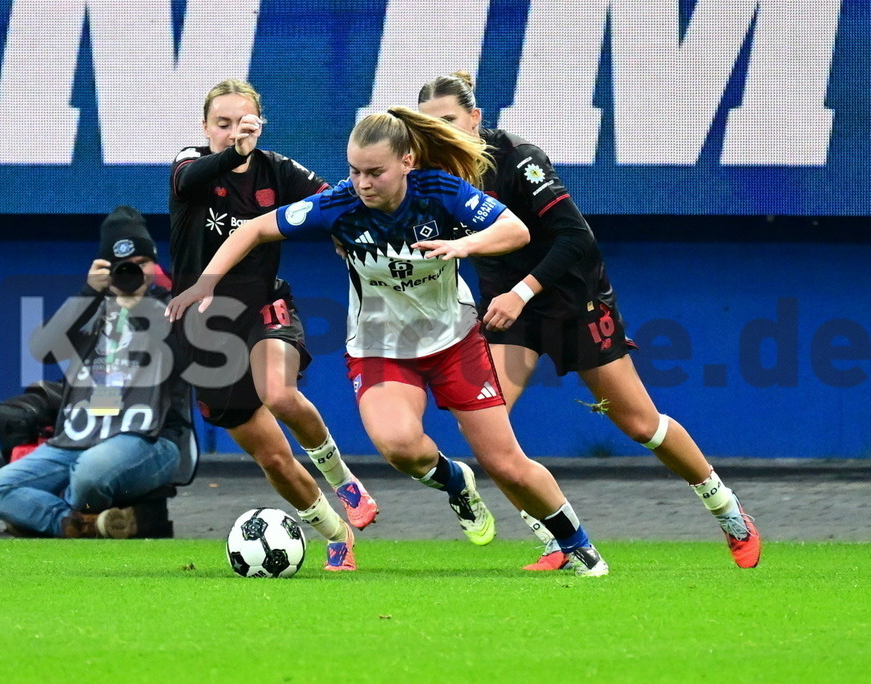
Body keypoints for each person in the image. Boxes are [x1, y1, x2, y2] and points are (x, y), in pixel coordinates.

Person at [168, 106, 610, 577]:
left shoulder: (441, 192)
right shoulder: (338, 205)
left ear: (407, 161)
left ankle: (578, 544)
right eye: (355, 171)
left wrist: (463, 245)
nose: (363, 183)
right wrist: (206, 282)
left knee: (505, 464)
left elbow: (516, 230)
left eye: (375, 172)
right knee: (400, 447)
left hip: (455, 342)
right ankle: (454, 479)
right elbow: (256, 228)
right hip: (380, 350)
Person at [417, 72, 761, 570]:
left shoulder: (520, 160)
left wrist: (521, 290)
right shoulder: (434, 176)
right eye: (430, 128)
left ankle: (728, 512)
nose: (441, 134)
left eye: (449, 121)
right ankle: (558, 538)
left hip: (572, 302)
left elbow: (577, 239)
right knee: (485, 432)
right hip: (508, 313)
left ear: (475, 118)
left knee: (640, 423)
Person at [167, 79, 376, 571]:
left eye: (244, 123)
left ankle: (344, 479)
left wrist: (342, 232)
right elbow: (191, 179)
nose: (232, 132)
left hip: (264, 305)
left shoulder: (276, 168)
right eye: (222, 124)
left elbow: (337, 198)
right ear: (205, 127)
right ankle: (335, 532)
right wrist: (233, 151)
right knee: (275, 459)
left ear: (259, 125)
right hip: (206, 331)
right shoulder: (188, 164)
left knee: (279, 394)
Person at [0, 206, 189, 539]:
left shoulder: (174, 307)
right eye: (122, 268)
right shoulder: (90, 308)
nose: (131, 273)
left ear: (154, 265)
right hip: (78, 438)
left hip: (151, 441)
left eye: (141, 264)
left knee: (89, 473)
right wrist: (89, 293)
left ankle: (54, 517)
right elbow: (43, 349)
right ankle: (79, 524)